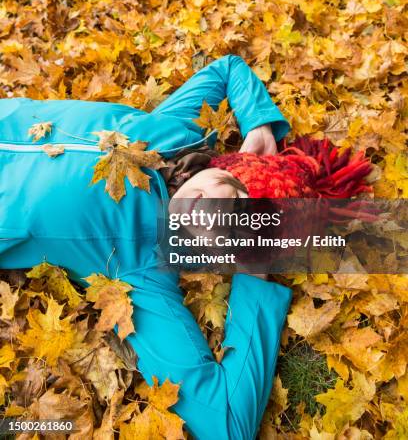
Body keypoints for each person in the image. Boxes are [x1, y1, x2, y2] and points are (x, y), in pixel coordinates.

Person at [0, 54, 294, 439]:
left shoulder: (143, 266)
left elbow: (226, 424)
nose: (209, 206)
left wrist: (254, 275)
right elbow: (226, 69)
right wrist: (259, 121)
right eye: (232, 193)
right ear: (226, 166)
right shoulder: (174, 135)